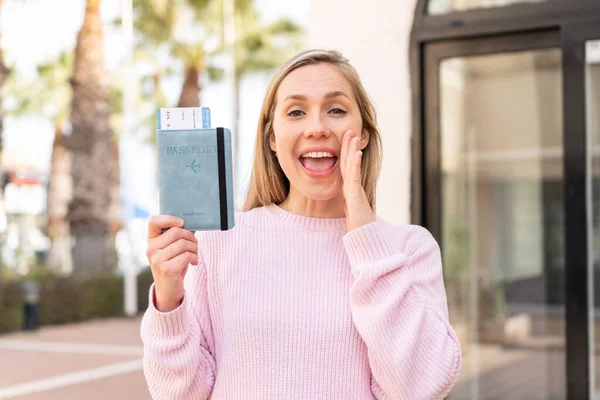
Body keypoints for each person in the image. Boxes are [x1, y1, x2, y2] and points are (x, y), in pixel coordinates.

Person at [141, 49, 462, 400]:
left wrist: (366, 237)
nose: (317, 128)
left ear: (364, 134)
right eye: (296, 112)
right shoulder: (218, 242)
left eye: (336, 110)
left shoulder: (407, 249)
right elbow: (180, 395)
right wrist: (169, 300)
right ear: (273, 139)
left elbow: (419, 387)